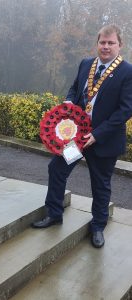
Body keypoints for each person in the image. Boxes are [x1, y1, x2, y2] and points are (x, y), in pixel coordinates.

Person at [31, 24, 132, 248]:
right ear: (97, 43)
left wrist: (98, 134)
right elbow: (75, 88)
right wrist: (67, 105)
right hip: (77, 138)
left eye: (110, 43)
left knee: (100, 184)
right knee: (57, 168)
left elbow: (125, 110)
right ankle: (54, 214)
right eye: (102, 42)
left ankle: (98, 226)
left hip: (102, 140)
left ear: (119, 45)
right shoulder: (86, 63)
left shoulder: (127, 71)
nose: (105, 47)